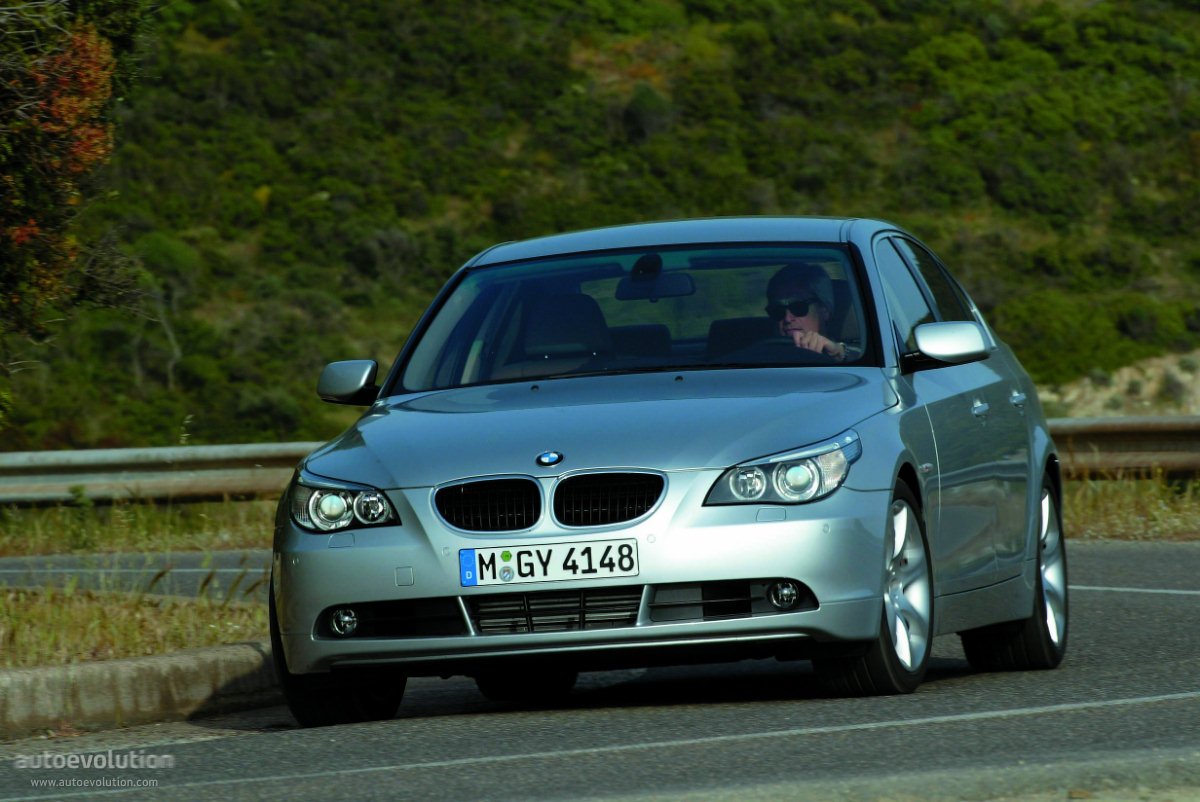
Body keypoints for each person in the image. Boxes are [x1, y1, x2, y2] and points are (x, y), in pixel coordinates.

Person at [764, 263, 849, 361]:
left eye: (798, 307)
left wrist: (840, 353)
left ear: (824, 310)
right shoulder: (763, 357)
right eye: (777, 310)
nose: (787, 318)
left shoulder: (842, 355)